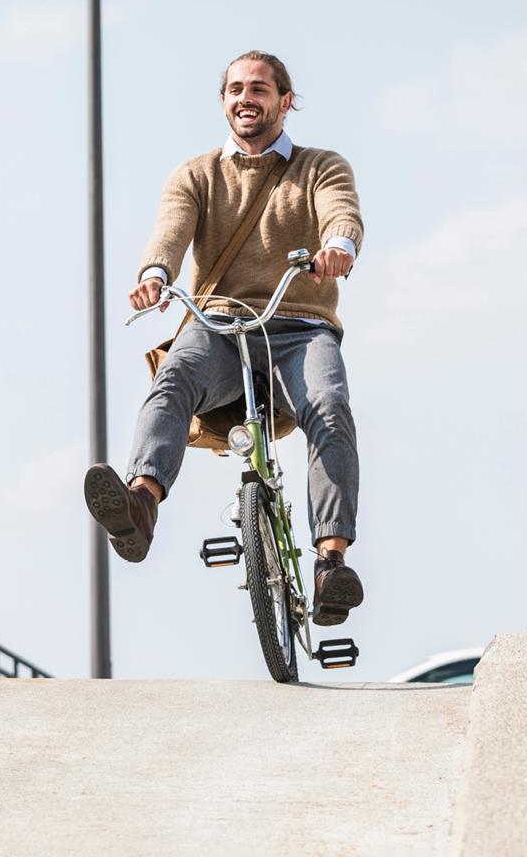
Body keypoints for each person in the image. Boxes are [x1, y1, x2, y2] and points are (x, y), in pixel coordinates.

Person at [83, 50, 366, 626]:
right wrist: (154, 275)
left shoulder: (321, 165)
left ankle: (329, 561)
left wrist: (339, 246)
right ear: (223, 101)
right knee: (172, 380)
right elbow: (171, 229)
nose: (246, 98)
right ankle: (140, 505)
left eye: (260, 89)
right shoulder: (197, 173)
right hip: (218, 322)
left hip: (301, 323)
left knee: (330, 408)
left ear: (285, 102)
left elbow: (341, 212)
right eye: (235, 89)